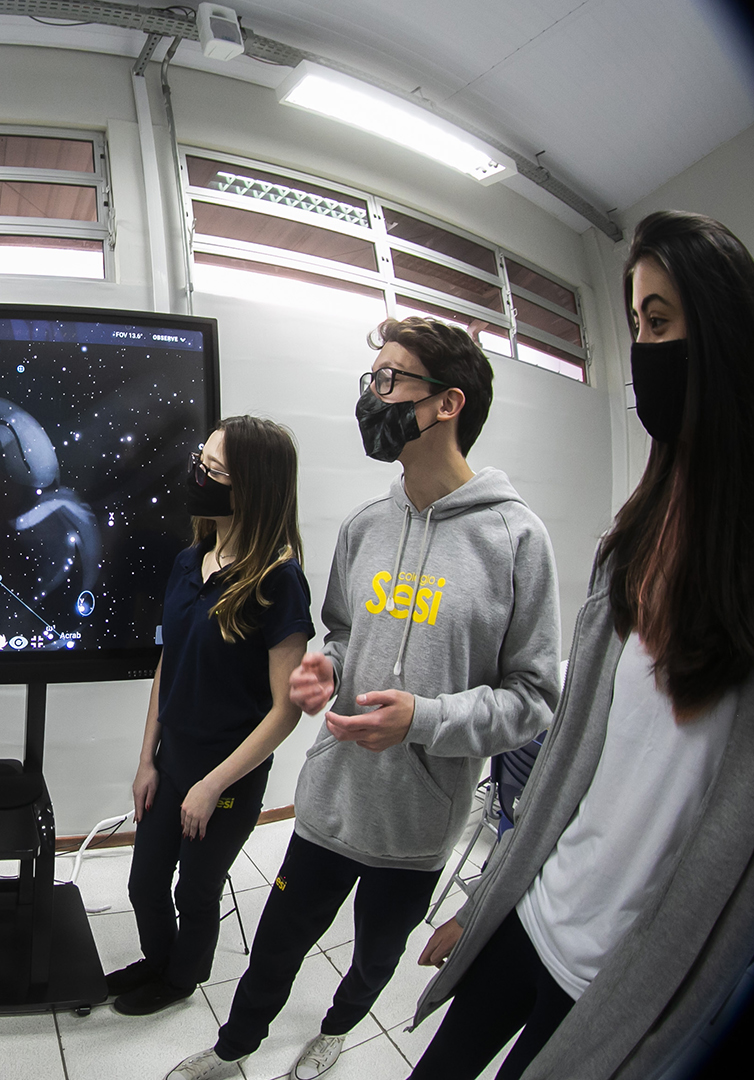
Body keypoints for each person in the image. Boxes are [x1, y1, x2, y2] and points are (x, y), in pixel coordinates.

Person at [401, 211, 754, 1080]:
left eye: (659, 322)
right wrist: (488, 901)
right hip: (534, 913)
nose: (642, 351)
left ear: (729, 339)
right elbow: (569, 763)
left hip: (619, 983)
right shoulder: (631, 546)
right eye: (635, 325)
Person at [166, 317, 561, 1080]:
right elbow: (345, 635)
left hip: (417, 825)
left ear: (446, 403)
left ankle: (337, 1030)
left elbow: (534, 698)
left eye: (388, 379)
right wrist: (326, 668)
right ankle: (234, 1048)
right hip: (332, 803)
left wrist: (426, 720)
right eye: (370, 379)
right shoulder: (365, 527)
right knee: (276, 945)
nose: (371, 396)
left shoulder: (516, 541)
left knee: (376, 955)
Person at [106, 415, 314, 1016]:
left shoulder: (279, 582)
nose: (198, 475)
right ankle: (158, 960)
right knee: (144, 883)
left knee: (196, 892)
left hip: (226, 779)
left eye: (215, 471)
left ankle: (181, 979)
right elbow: (168, 663)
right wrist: (146, 760)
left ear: (253, 487)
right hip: (171, 762)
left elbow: (285, 712)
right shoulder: (188, 560)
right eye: (202, 461)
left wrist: (212, 785)